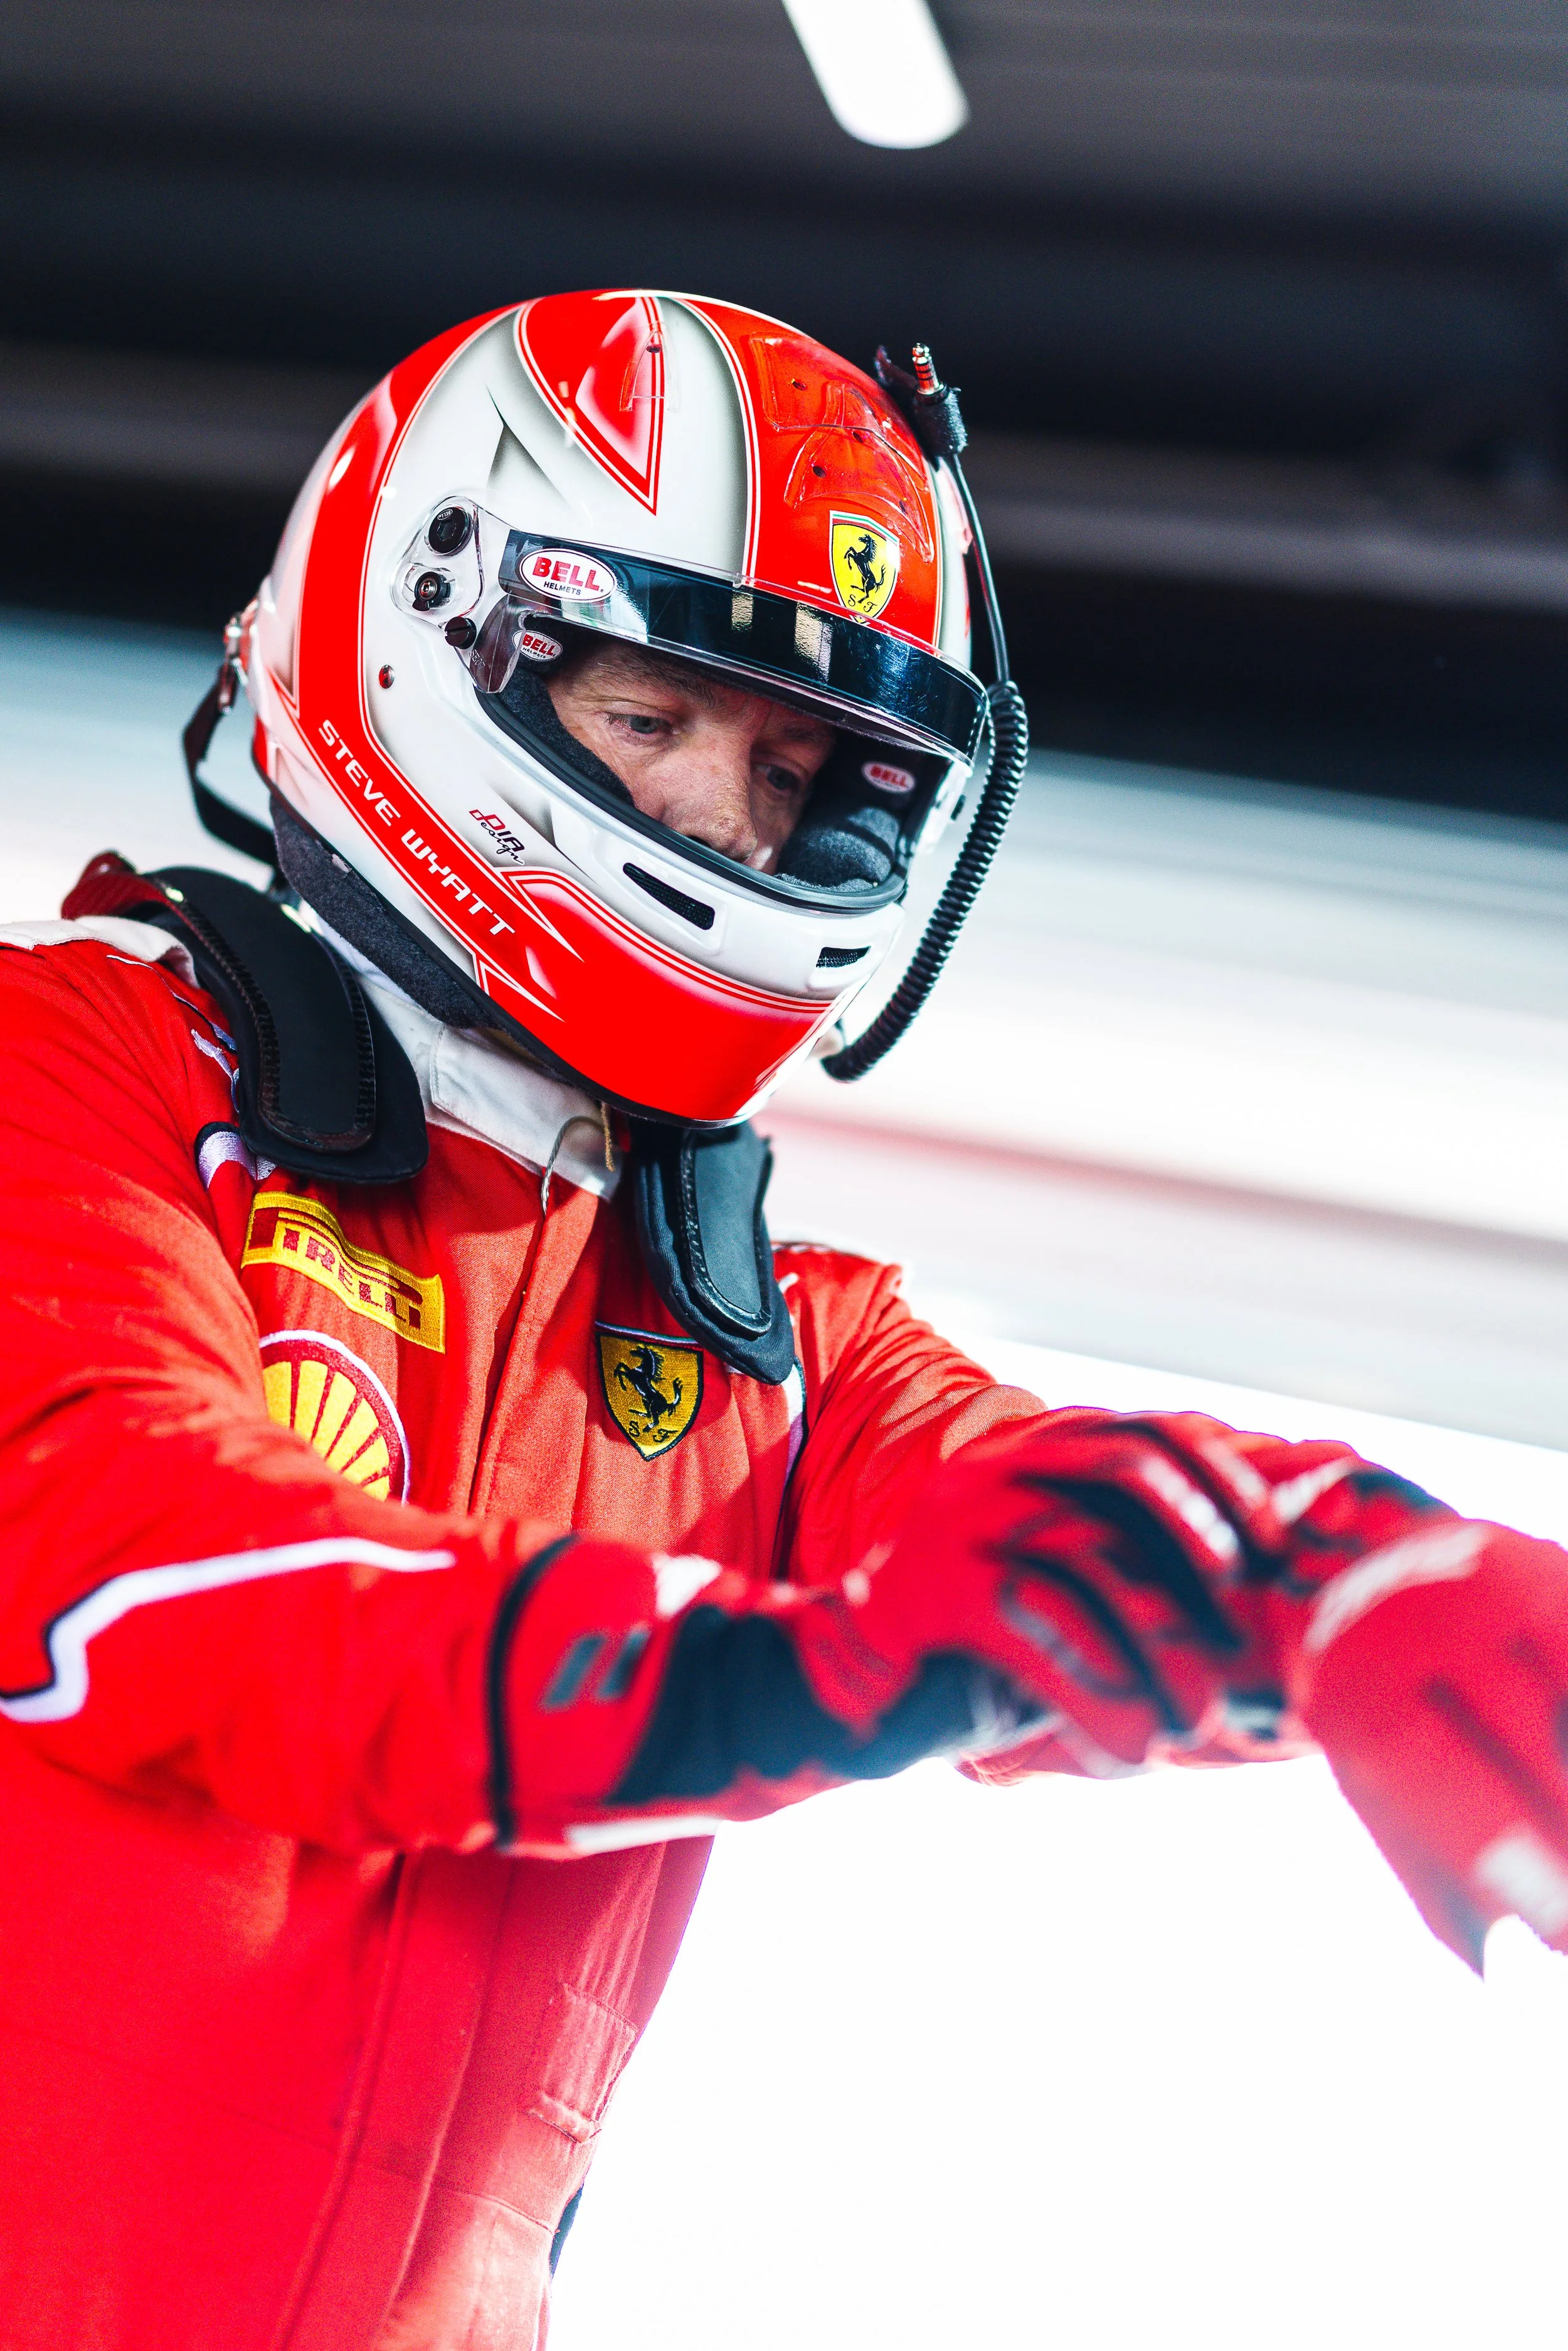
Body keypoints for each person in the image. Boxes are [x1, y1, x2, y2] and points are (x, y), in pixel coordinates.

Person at [1, 289, 1564, 2351]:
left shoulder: (749, 1335)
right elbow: (151, 1579)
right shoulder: (72, 1069)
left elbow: (1048, 1501)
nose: (732, 828)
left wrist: (1369, 1573)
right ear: (426, 623)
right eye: (653, 719)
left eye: (805, 768)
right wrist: (834, 1671)